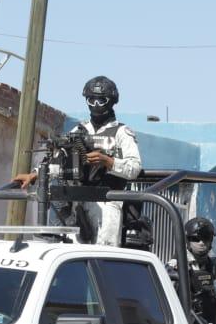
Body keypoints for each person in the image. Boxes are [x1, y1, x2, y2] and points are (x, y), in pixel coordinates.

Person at [13, 75, 143, 245]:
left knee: (104, 254)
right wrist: (35, 174)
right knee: (72, 252)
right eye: (91, 100)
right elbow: (60, 162)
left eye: (101, 100)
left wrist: (108, 161)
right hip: (78, 200)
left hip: (107, 201)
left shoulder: (122, 132)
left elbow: (135, 168)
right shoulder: (78, 130)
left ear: (111, 101)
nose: (96, 105)